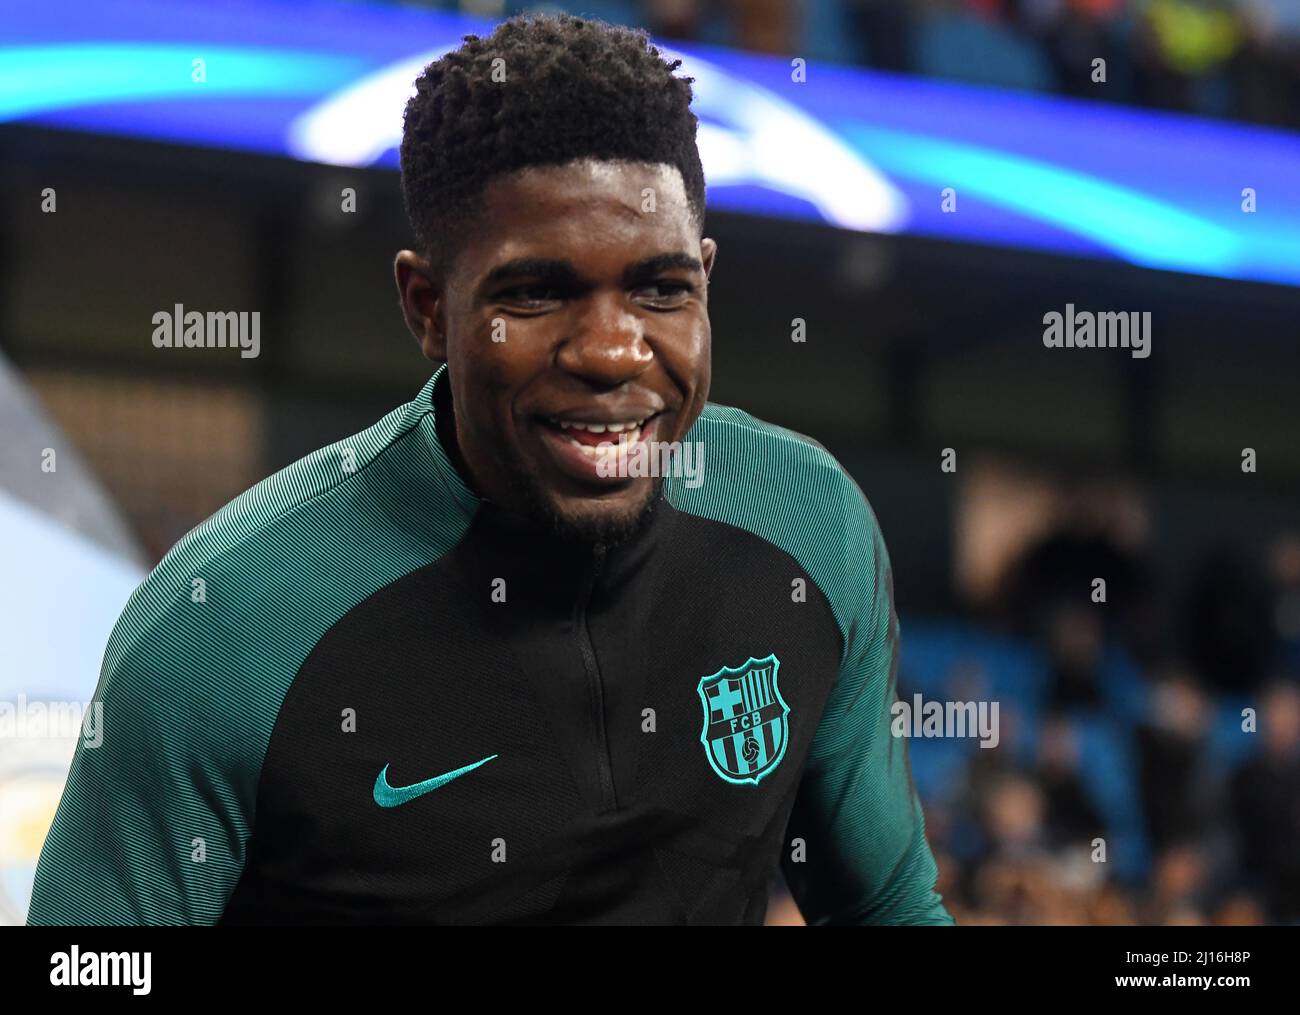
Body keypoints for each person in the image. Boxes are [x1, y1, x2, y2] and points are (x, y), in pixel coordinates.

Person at [27, 13, 951, 926]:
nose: (613, 352)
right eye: (538, 292)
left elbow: (886, 904)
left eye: (661, 289)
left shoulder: (807, 525)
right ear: (428, 307)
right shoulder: (220, 623)